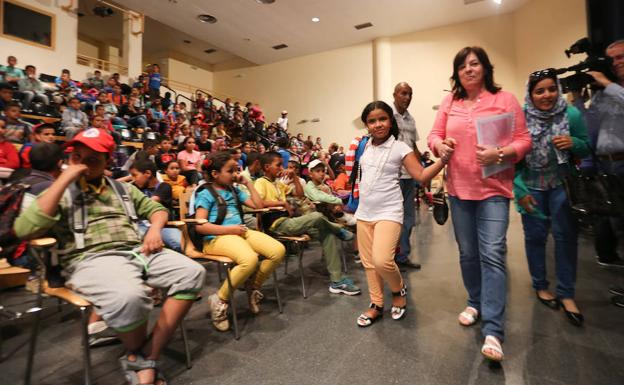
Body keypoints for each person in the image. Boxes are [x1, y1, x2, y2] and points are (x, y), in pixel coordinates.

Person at [14, 128, 205, 385]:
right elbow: (24, 230)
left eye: (92, 159)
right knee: (131, 297)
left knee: (193, 272)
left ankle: (144, 355)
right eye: (76, 157)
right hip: (90, 258)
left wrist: (155, 230)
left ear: (107, 162)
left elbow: (157, 209)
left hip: (136, 251)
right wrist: (63, 179)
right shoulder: (57, 191)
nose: (83, 164)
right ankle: (142, 359)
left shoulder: (121, 188)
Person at [428, 46, 531, 362]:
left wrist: (499, 154)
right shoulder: (450, 102)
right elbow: (434, 136)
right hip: (459, 190)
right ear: (457, 72)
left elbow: (524, 140)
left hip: (494, 191)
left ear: (485, 68)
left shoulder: (505, 100)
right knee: (468, 253)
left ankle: (494, 330)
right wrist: (440, 146)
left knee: (492, 254)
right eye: (462, 66)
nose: (468, 69)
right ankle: (475, 301)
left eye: (474, 64)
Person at [354, 101, 449, 328]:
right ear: (367, 125)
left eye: (382, 119)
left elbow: (422, 176)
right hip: (364, 212)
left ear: (391, 121)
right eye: (372, 121)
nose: (378, 124)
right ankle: (376, 304)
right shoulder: (364, 145)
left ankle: (398, 289)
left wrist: (444, 161)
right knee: (369, 263)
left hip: (389, 211)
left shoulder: (400, 148)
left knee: (382, 260)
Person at [513, 69, 590, 326]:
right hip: (531, 186)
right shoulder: (520, 118)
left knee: (566, 238)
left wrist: (574, 143)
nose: (547, 95)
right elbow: (511, 159)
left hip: (562, 186)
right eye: (539, 91)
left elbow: (586, 144)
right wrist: (519, 190)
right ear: (530, 94)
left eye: (551, 89)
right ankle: (540, 286)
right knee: (534, 238)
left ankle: (567, 294)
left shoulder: (571, 114)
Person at [194, 152, 285, 331]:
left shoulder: (234, 190)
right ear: (215, 174)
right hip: (216, 237)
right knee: (249, 259)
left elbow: (259, 206)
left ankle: (252, 287)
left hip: (239, 232)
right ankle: (219, 300)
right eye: (231, 171)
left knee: (278, 250)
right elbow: (200, 226)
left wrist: (247, 183)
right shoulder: (205, 193)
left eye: (236, 170)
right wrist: (229, 230)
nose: (235, 174)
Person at [255, 152, 360, 295]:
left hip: (291, 222)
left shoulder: (278, 183)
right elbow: (258, 203)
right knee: (316, 216)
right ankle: (337, 229)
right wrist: (282, 202)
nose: (282, 167)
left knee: (326, 234)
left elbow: (298, 194)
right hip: (277, 225)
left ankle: (337, 281)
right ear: (267, 167)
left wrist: (295, 178)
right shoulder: (261, 182)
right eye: (278, 165)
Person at [572, 39, 624, 306]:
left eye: (621, 57)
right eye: (612, 59)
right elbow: (590, 125)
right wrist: (579, 100)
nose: (616, 63)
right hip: (608, 164)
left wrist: (607, 84)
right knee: (619, 224)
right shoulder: (605, 93)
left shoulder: (612, 89)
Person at [392, 82, 422, 270]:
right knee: (393, 220)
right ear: (395, 94)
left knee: (409, 219)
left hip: (408, 176)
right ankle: (389, 258)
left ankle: (402, 256)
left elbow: (414, 147)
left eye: (410, 94)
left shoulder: (411, 120)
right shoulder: (386, 115)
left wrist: (421, 171)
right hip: (392, 177)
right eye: (403, 93)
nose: (407, 97)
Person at [129, 159, 182, 252]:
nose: (133, 179)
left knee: (179, 242)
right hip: (140, 227)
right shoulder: (135, 187)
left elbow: (150, 203)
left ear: (148, 173)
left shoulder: (164, 186)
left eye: (134, 175)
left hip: (163, 227)